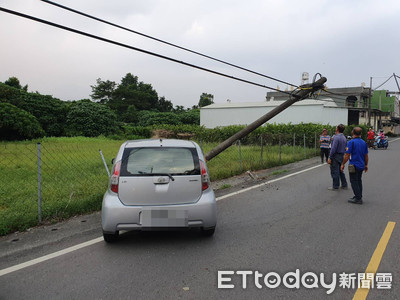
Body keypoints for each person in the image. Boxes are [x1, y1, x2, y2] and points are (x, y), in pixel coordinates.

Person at [341, 127, 368, 204]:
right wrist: (366, 165)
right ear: (361, 134)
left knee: (353, 181)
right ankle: (358, 195)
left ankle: (358, 198)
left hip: (354, 165)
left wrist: (342, 164)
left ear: (352, 133)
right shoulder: (364, 143)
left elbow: (347, 155)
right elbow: (366, 156)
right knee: (359, 180)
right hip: (361, 165)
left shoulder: (351, 142)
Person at [327, 124, 348, 190]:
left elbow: (333, 148)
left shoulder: (336, 137)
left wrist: (330, 157)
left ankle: (335, 186)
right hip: (341, 155)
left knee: (334, 170)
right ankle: (344, 184)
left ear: (337, 129)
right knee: (340, 170)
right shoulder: (344, 137)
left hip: (336, 155)